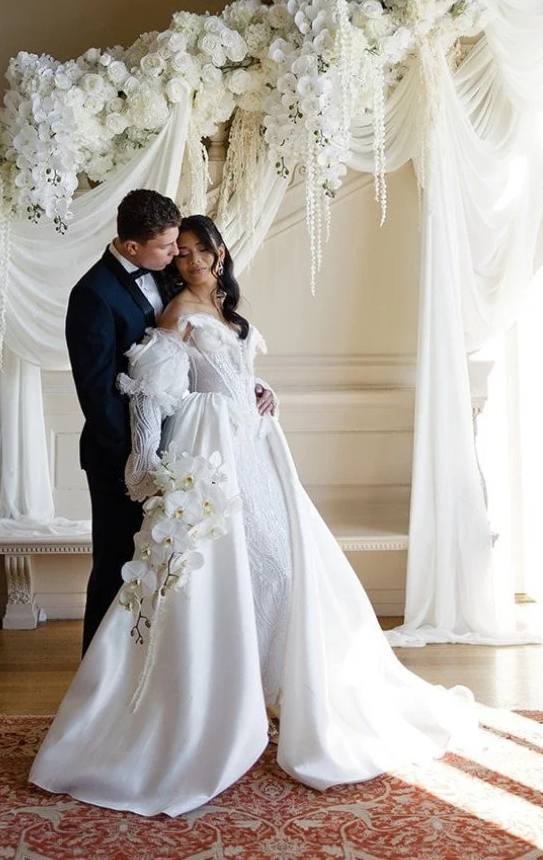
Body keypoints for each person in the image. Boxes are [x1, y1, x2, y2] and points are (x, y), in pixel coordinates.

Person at [32, 214, 475, 816]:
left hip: (256, 447)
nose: (187, 262)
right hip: (208, 451)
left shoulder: (226, 310)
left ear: (218, 251)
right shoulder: (173, 310)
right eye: (178, 252)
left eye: (196, 250)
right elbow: (155, 391)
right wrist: (143, 464)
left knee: (284, 570)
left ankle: (285, 693)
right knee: (210, 578)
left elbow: (231, 369)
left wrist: (262, 389)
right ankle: (195, 708)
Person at [65, 188, 181, 655]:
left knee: (164, 560)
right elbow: (97, 395)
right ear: (131, 247)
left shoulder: (167, 273)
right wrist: (138, 461)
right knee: (116, 561)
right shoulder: (92, 295)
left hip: (174, 446)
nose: (176, 253)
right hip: (120, 457)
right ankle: (97, 673)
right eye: (166, 246)